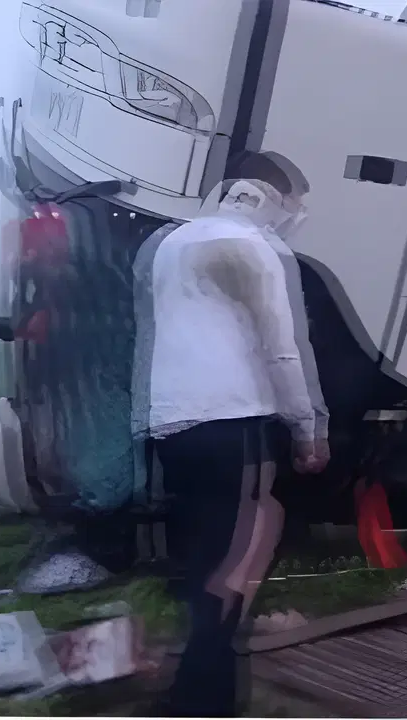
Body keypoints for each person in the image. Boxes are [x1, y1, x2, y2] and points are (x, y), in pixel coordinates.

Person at [133, 151, 329, 717]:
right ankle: (201, 700)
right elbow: (284, 349)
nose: (296, 214)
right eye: (294, 202)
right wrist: (308, 428)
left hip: (172, 421)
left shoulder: (169, 243)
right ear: (271, 197)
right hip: (234, 419)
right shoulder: (257, 246)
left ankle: (199, 689)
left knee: (205, 558)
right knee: (235, 564)